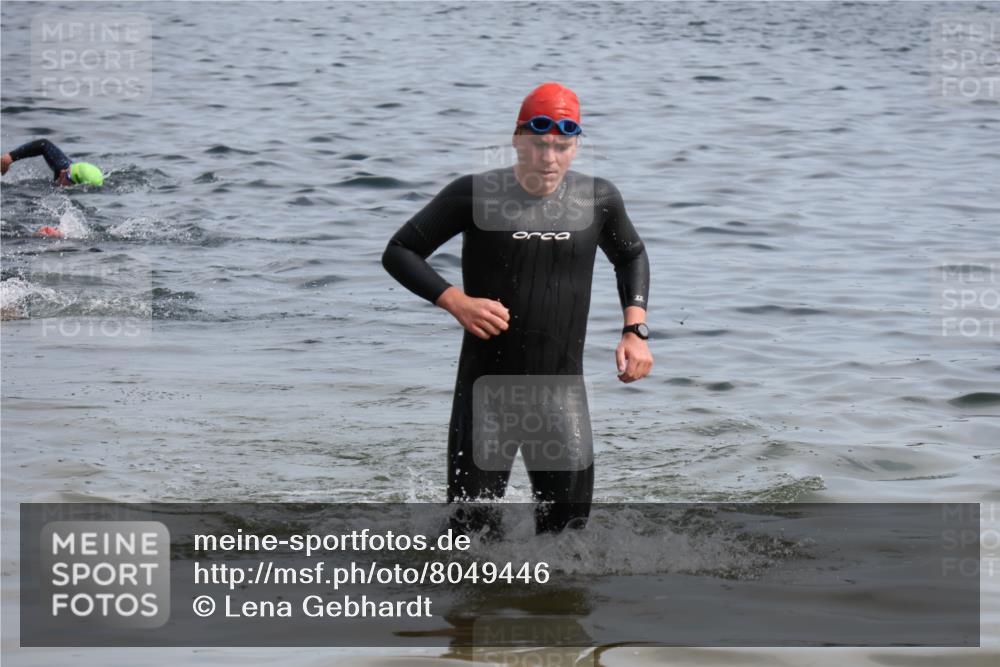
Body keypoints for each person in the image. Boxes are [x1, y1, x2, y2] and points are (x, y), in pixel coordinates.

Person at [382, 82, 652, 535]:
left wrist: (635, 329)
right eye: (539, 144)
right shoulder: (474, 194)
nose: (549, 159)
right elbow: (400, 251)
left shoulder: (597, 199)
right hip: (485, 397)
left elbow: (631, 255)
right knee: (470, 538)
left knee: (570, 541)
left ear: (576, 146)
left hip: (561, 396)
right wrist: (455, 301)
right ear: (517, 138)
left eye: (562, 147)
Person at [1, 138, 104, 186]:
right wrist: (10, 157)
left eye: (68, 175)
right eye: (68, 169)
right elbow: (44, 144)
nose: (62, 172)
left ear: (75, 185)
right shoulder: (63, 168)